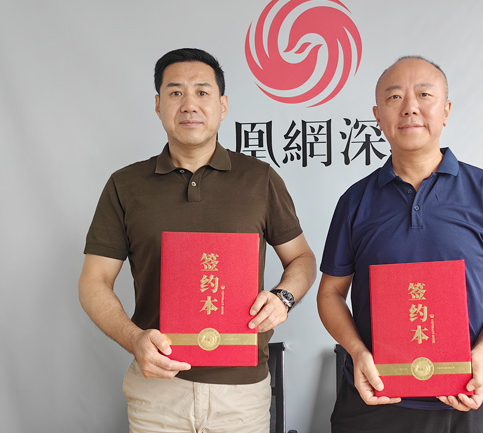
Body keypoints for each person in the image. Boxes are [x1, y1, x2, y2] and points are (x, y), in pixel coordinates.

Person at [78, 48, 316, 433]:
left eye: (202, 92)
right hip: (158, 389)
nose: (189, 104)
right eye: (175, 92)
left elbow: (302, 257)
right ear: (158, 105)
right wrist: (134, 339)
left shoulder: (259, 179)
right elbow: (93, 281)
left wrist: (284, 297)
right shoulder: (125, 185)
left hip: (241, 393)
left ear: (223, 105)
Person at [317, 56, 483, 433]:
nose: (410, 107)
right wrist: (357, 352)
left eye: (424, 95)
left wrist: (482, 353)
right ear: (378, 116)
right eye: (394, 97)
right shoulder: (355, 201)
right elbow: (330, 293)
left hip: (464, 396)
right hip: (373, 396)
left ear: (446, 111)